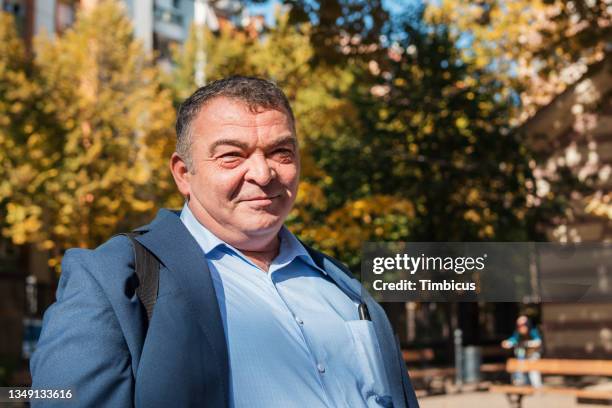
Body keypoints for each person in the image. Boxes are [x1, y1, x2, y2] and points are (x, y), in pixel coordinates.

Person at [31, 76, 419, 408]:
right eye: (232, 156)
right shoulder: (114, 278)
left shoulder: (341, 285)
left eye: (281, 152)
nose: (264, 174)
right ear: (184, 173)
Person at [501, 315, 543, 387]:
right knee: (519, 367)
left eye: (523, 325)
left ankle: (537, 386)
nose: (520, 327)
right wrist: (507, 343)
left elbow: (538, 342)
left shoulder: (533, 331)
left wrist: (526, 344)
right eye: (519, 325)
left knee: (533, 371)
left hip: (532, 355)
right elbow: (513, 340)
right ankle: (521, 384)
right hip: (522, 356)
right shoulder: (517, 333)